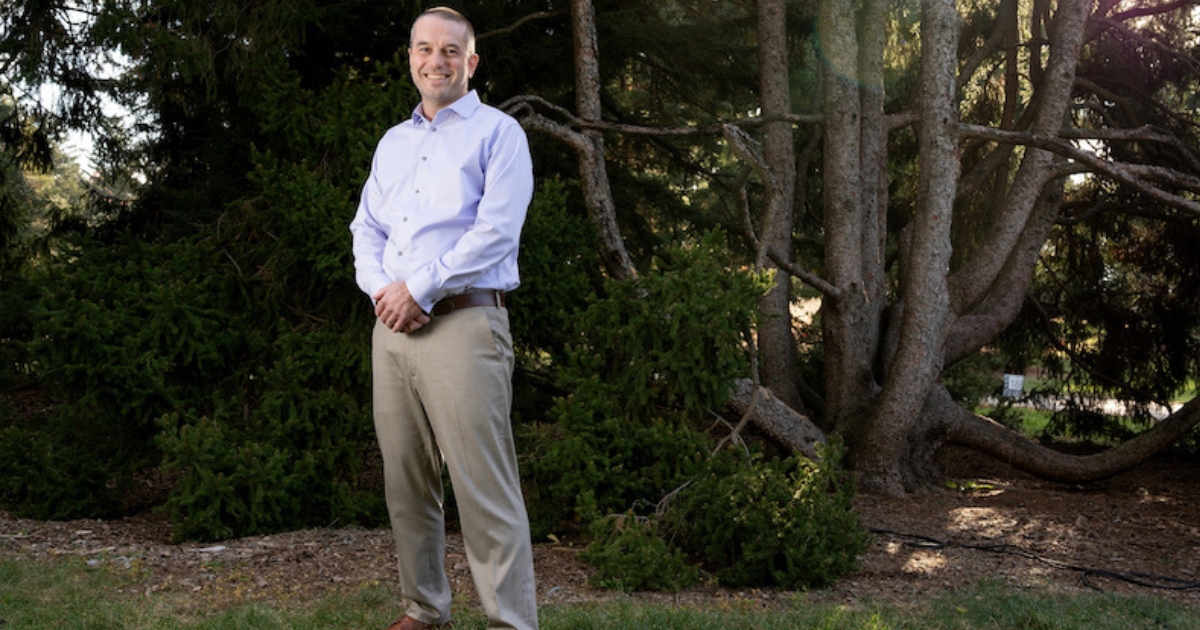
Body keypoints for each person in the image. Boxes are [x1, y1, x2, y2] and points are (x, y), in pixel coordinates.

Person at [349, 7, 538, 630]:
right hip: (392, 329)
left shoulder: (499, 134)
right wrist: (385, 292)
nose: (437, 60)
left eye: (451, 51)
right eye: (425, 49)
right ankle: (425, 610)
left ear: (471, 61)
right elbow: (366, 229)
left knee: (484, 489)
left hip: (463, 325)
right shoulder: (393, 143)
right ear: (410, 58)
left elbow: (494, 233)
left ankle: (512, 622)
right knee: (406, 484)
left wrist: (419, 290)